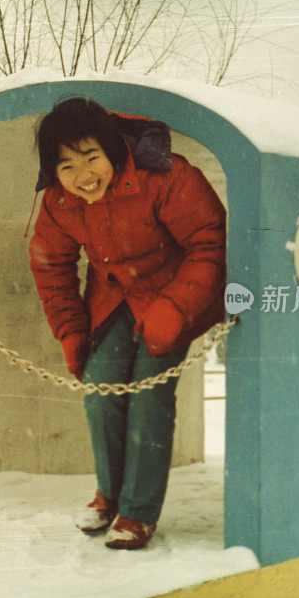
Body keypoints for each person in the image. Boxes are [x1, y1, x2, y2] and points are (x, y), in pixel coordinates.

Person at [29, 98, 226, 550]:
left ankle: (138, 511)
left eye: (92, 158)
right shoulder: (59, 201)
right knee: (99, 392)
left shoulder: (165, 175)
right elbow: (50, 264)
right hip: (114, 295)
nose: (83, 175)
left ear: (114, 150)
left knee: (148, 397)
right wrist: (71, 331)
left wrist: (176, 309)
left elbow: (209, 242)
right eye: (67, 165)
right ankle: (109, 494)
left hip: (175, 293)